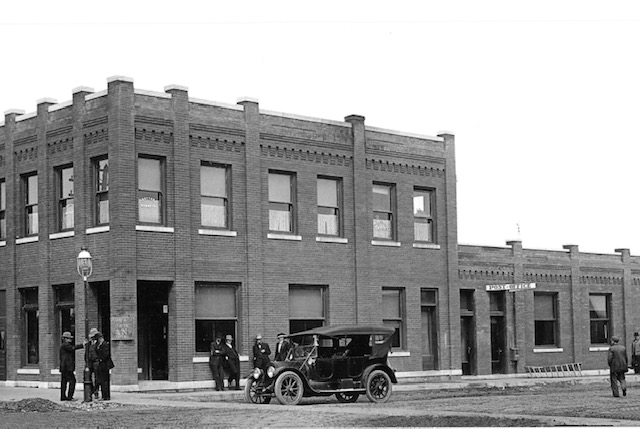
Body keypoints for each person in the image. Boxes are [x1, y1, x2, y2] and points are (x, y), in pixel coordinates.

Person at [59, 331, 84, 401]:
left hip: (64, 367)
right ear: (65, 339)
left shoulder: (63, 346)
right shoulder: (65, 345)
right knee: (72, 381)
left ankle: (63, 396)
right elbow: (72, 348)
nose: (70, 340)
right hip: (67, 367)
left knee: (64, 382)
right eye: (69, 338)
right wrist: (82, 345)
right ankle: (69, 396)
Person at [94, 331, 114, 401]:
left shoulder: (105, 344)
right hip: (101, 364)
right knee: (101, 380)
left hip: (105, 364)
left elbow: (106, 354)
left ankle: (106, 396)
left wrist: (101, 359)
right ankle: (104, 395)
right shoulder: (98, 345)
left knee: (105, 380)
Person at [86, 327, 100, 399]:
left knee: (97, 378)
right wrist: (87, 362)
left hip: (96, 362)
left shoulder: (98, 343)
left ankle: (96, 391)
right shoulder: (88, 344)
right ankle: (91, 391)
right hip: (90, 362)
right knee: (88, 377)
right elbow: (86, 353)